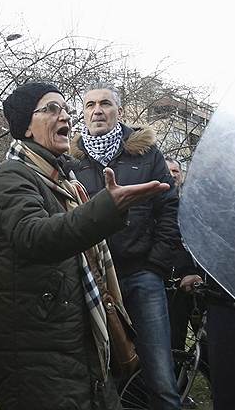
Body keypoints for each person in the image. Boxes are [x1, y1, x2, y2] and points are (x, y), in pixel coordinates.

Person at [0, 82, 169, 410]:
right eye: (51, 108)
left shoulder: (66, 182)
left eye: (65, 109)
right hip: (39, 350)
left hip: (74, 344)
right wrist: (108, 207)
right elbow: (35, 236)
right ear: (26, 124)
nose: (64, 116)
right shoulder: (10, 177)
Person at [69, 84, 183, 410]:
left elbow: (169, 209)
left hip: (141, 276)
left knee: (160, 377)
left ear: (118, 110)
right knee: (109, 374)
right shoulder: (73, 162)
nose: (97, 110)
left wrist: (156, 265)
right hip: (97, 283)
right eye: (89, 105)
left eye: (105, 103)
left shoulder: (147, 155)